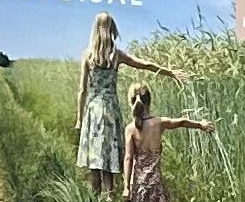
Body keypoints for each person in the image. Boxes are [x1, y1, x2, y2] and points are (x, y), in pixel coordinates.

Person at [75, 12, 186, 190]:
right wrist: (170, 73)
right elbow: (145, 64)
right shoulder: (116, 55)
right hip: (111, 110)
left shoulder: (87, 55)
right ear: (112, 29)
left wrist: (79, 119)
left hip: (93, 111)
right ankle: (109, 201)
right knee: (109, 163)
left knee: (94, 164)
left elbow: (82, 90)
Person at [121, 84, 213, 202]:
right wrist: (200, 125)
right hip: (155, 180)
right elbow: (181, 122)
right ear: (150, 101)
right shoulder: (159, 123)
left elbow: (128, 158)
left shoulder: (130, 129)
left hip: (137, 180)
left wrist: (126, 186)